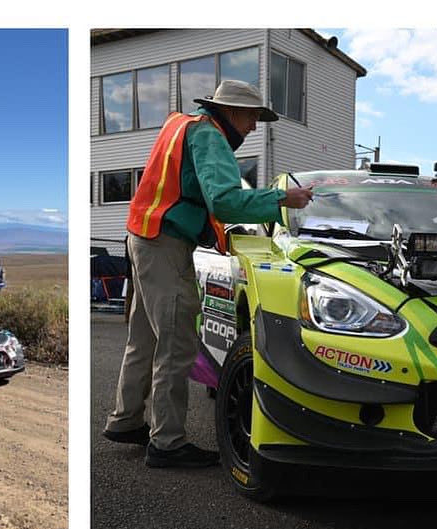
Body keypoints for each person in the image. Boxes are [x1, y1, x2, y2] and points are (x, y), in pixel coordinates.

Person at [103, 79, 313, 468]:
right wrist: (283, 199)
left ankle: (125, 419)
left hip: (142, 236)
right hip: (164, 244)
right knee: (177, 342)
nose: (253, 128)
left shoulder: (180, 124)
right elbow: (226, 201)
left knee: (146, 338)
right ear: (232, 112)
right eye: (252, 118)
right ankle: (166, 443)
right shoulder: (210, 137)